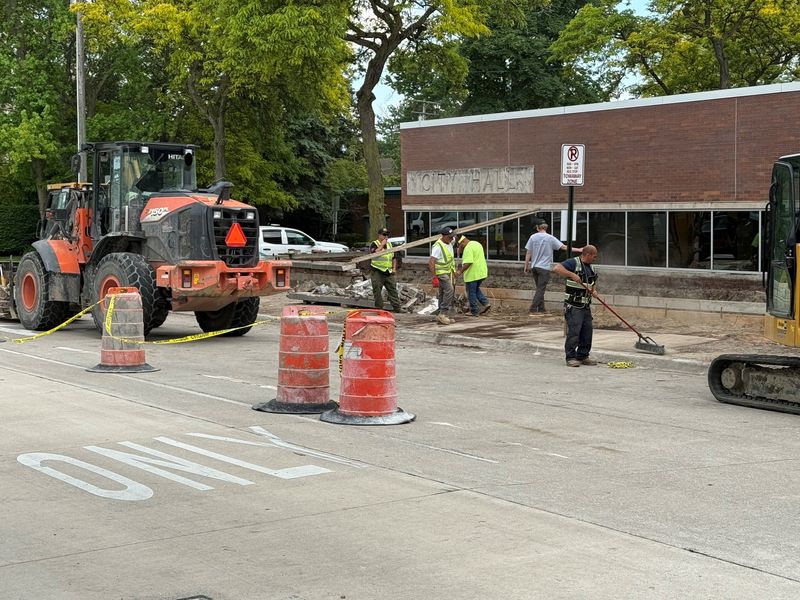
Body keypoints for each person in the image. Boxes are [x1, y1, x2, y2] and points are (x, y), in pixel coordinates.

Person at [552, 245, 599, 367]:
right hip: (573, 306)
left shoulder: (592, 268)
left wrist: (594, 292)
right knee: (574, 332)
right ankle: (571, 357)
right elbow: (556, 268)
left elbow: (592, 284)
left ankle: (583, 355)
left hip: (585, 306)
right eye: (594, 256)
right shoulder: (573, 262)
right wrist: (572, 275)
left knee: (587, 332)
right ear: (587, 254)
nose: (595, 258)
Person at [523, 220, 582, 315]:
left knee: (539, 288)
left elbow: (529, 252)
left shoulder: (532, 237)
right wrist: (579, 249)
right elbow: (563, 247)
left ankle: (542, 309)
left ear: (538, 227)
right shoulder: (550, 238)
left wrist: (526, 266)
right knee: (541, 289)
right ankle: (533, 309)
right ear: (546, 228)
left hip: (534, 267)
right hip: (544, 267)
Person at [456, 234, 491, 316]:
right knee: (475, 289)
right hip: (481, 272)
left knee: (471, 292)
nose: (460, 248)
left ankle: (474, 311)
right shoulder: (476, 243)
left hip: (473, 274)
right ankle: (485, 303)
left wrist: (460, 272)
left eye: (460, 245)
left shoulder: (468, 248)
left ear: (462, 242)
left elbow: (468, 262)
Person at [369, 227, 402, 312]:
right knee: (377, 290)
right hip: (377, 270)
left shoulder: (390, 245)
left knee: (393, 289)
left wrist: (394, 268)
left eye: (387, 235)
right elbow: (374, 254)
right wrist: (382, 244)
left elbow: (393, 258)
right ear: (379, 235)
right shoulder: (374, 244)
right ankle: (379, 309)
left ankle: (397, 308)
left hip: (388, 271)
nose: (386, 237)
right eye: (384, 235)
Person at [429, 226, 456, 325]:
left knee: (442, 293)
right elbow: (431, 262)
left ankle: (440, 313)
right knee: (450, 290)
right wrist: (434, 277)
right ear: (443, 236)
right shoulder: (437, 247)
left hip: (447, 271)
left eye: (452, 237)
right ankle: (443, 313)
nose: (452, 239)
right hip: (441, 273)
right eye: (449, 237)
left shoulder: (449, 242)